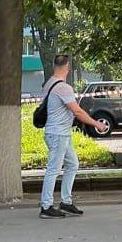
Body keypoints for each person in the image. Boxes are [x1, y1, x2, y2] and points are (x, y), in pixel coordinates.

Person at [39, 54, 108, 219]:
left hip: (60, 133)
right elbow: (77, 111)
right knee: (53, 169)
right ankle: (46, 206)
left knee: (72, 164)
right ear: (68, 67)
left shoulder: (49, 84)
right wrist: (97, 124)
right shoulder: (63, 88)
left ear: (55, 65)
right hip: (58, 134)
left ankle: (66, 202)